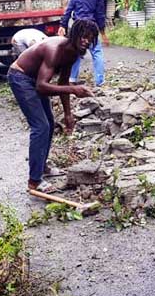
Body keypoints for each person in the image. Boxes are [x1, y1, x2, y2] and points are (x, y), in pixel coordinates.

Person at [8, 19, 98, 193]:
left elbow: (62, 81)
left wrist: (68, 114)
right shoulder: (55, 50)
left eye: (90, 38)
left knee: (49, 124)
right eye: (83, 37)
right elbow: (42, 86)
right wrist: (74, 89)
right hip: (20, 77)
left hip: (33, 80)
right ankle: (34, 181)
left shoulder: (72, 53)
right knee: (40, 126)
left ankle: (42, 167)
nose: (86, 41)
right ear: (74, 35)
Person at [58, 0, 110, 86]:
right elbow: (100, 16)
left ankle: (72, 79)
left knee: (75, 52)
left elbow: (68, 11)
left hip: (78, 28)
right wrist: (103, 33)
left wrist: (63, 25)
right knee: (96, 53)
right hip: (92, 27)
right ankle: (100, 81)